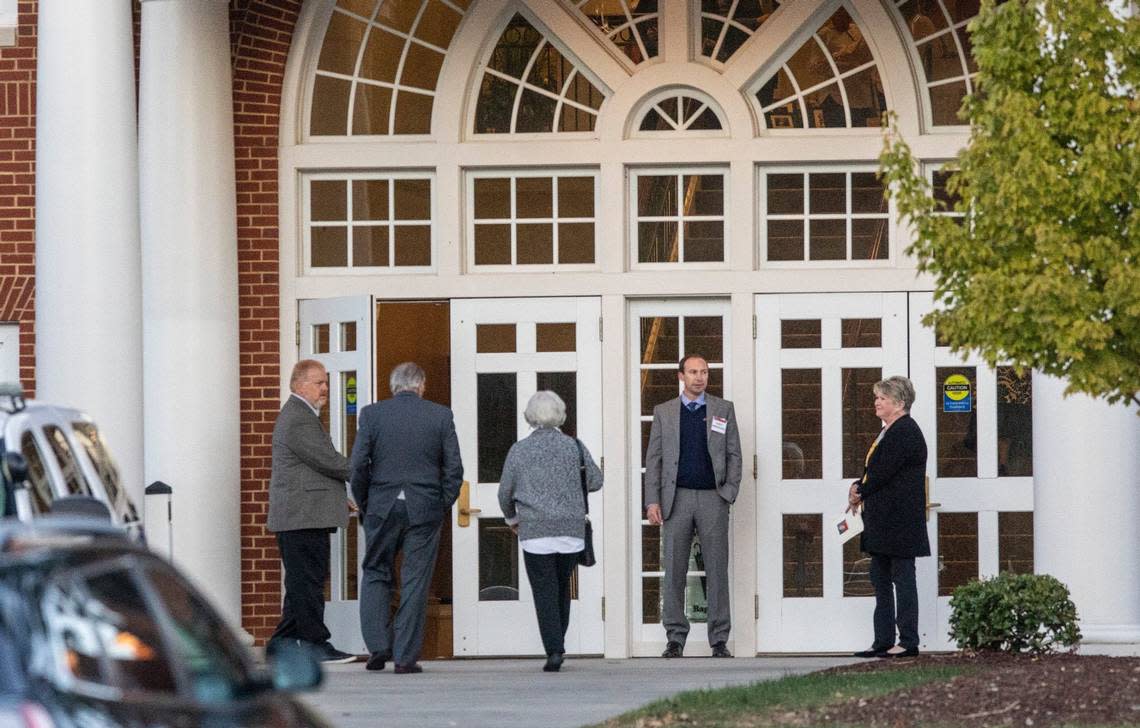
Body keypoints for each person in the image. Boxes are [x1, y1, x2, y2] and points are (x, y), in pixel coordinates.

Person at [351, 362, 463, 674]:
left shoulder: (372, 414)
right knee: (415, 579)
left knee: (375, 571)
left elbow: (358, 465)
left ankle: (377, 646)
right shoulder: (440, 415)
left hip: (381, 505)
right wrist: (440, 504)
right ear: (421, 385)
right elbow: (454, 469)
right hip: (424, 507)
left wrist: (364, 503)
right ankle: (404, 656)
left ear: (393, 385)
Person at [644, 354, 742, 658]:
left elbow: (735, 455)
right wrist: (652, 501)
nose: (699, 377)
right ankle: (675, 637)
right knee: (674, 569)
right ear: (680, 376)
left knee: (716, 569)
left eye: (704, 372)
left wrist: (728, 492)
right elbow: (654, 460)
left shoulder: (723, 409)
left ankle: (719, 640)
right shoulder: (664, 412)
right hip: (677, 499)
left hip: (713, 498)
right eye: (693, 372)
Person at [498, 391, 603, 673]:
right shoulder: (574, 447)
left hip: (535, 531)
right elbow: (595, 481)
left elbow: (504, 492)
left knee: (544, 591)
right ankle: (558, 644)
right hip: (570, 529)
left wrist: (511, 519)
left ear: (529, 417)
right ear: (560, 415)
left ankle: (554, 650)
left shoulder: (519, 450)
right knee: (562, 589)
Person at [266, 359, 356, 664]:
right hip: (301, 517)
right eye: (319, 383)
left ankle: (280, 644)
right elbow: (327, 460)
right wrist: (367, 470)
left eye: (326, 382)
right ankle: (316, 644)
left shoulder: (299, 415)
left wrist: (336, 496)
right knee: (308, 584)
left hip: (303, 515)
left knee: (301, 584)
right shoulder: (299, 418)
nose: (325, 389)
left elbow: (307, 469)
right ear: (298, 385)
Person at [848, 375, 930, 658]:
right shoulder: (888, 430)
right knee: (879, 578)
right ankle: (882, 639)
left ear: (899, 403)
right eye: (877, 397)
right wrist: (858, 485)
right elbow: (874, 468)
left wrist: (862, 490)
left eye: (882, 398)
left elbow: (885, 472)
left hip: (900, 521)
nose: (876, 402)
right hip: (882, 520)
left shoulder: (905, 431)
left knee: (902, 578)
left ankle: (908, 641)